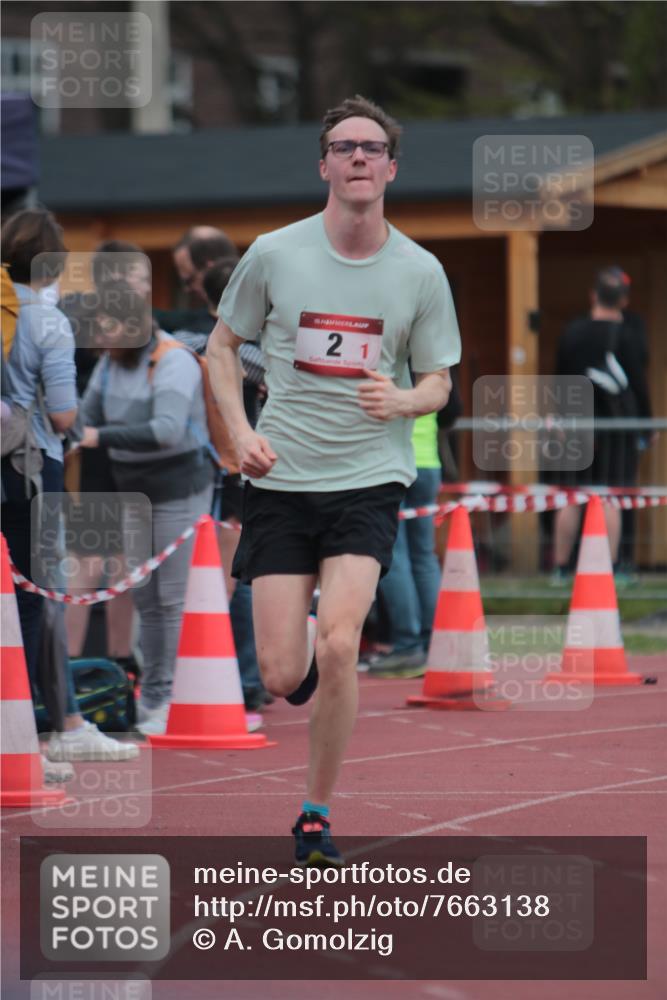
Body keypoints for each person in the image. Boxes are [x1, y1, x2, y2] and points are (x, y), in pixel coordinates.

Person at [207, 95, 461, 864]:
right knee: (283, 674)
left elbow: (438, 381)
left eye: (371, 147)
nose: (357, 157)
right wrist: (240, 434)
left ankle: (314, 814)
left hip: (368, 479)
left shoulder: (420, 271)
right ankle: (314, 669)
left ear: (390, 168)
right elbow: (220, 349)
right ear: (323, 165)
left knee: (342, 642)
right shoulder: (274, 254)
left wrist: (404, 399)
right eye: (344, 147)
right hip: (282, 480)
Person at [0, 209, 138, 771]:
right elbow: (61, 415)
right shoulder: (48, 322)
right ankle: (30, 736)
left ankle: (60, 724)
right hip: (29, 468)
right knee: (33, 600)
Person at [79, 281, 215, 736]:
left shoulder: (173, 360)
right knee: (146, 599)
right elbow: (83, 415)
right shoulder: (110, 363)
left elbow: (167, 430)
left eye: (107, 328)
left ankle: (170, 695)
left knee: (171, 598)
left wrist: (99, 437)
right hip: (132, 491)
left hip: (179, 488)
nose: (100, 337)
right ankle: (155, 695)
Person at [552, 266, 652, 582]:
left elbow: (559, 378)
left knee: (571, 496)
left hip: (575, 424)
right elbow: (639, 384)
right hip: (616, 428)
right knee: (612, 496)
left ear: (593, 295)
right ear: (623, 300)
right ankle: (611, 569)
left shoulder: (571, 332)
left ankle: (561, 569)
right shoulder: (628, 335)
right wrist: (647, 426)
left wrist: (559, 416)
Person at [364, 411, 443, 677]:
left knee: (395, 557)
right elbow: (453, 408)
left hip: (391, 462)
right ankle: (433, 642)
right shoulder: (433, 380)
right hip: (428, 460)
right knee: (424, 556)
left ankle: (407, 644)